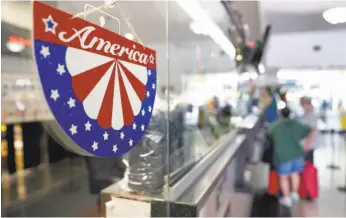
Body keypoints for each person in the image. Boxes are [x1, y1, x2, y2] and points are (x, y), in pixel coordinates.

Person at [268, 107, 314, 207]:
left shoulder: (275, 125)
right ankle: (294, 194)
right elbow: (310, 130)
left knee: (284, 177)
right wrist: (306, 144)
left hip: (283, 155)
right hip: (297, 154)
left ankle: (287, 199)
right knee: (295, 174)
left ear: (281, 114)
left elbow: (268, 134)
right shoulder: (297, 124)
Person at [300, 97, 319, 163]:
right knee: (306, 162)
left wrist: (307, 144)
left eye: (303, 105)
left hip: (309, 143)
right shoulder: (306, 112)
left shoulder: (312, 114)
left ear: (307, 104)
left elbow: (312, 130)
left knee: (308, 163)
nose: (302, 106)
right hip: (306, 142)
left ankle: (308, 173)